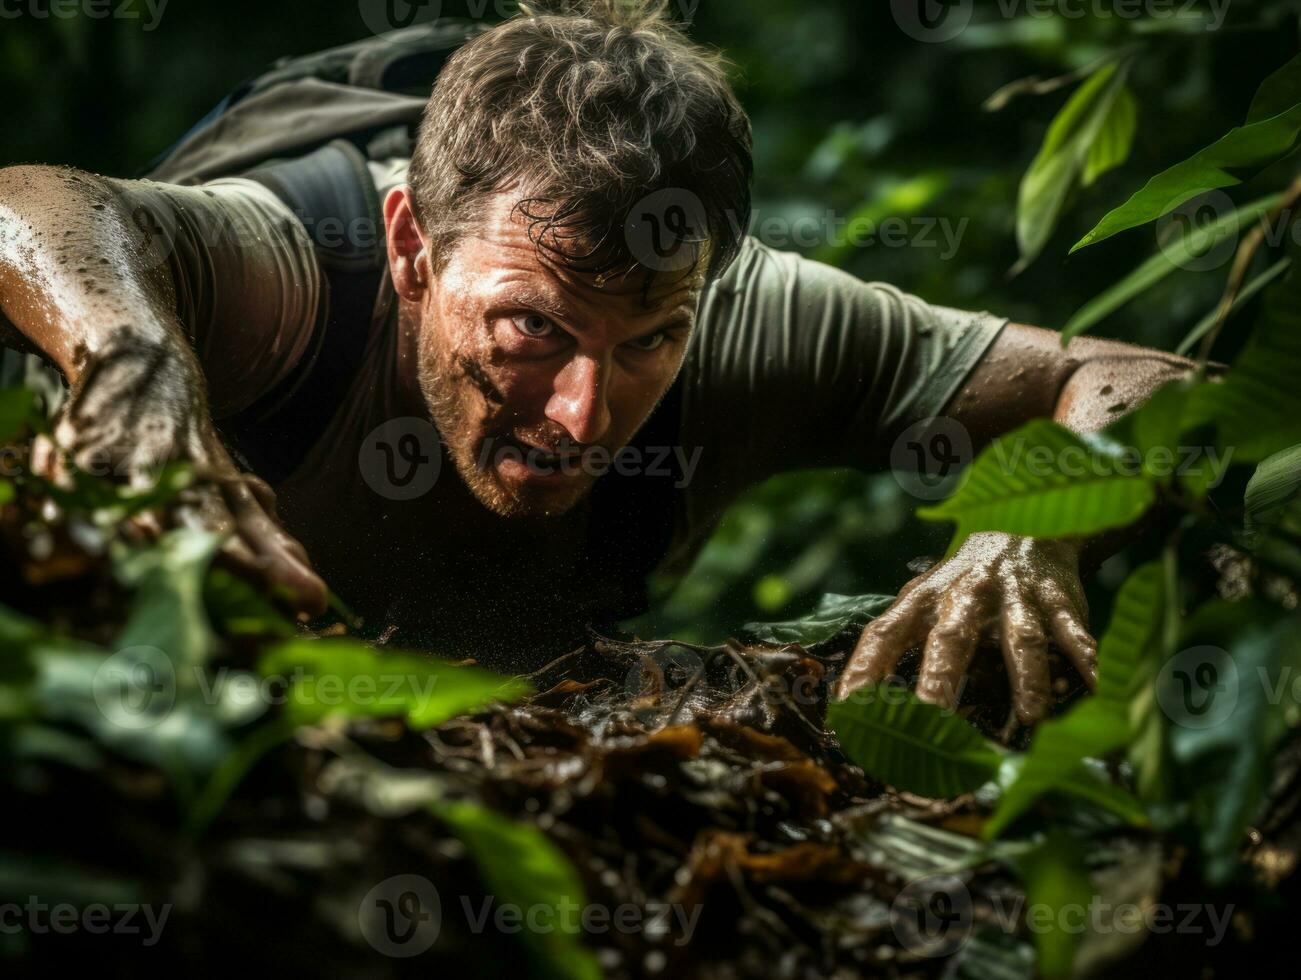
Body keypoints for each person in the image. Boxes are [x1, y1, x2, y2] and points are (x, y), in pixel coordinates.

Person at [0, 0, 1191, 724]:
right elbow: (34, 203)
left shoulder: (748, 317)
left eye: (649, 342)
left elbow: (1149, 380)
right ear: (412, 247)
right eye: (532, 327)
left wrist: (1030, 524)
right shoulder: (302, 269)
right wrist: (137, 379)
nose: (582, 415)